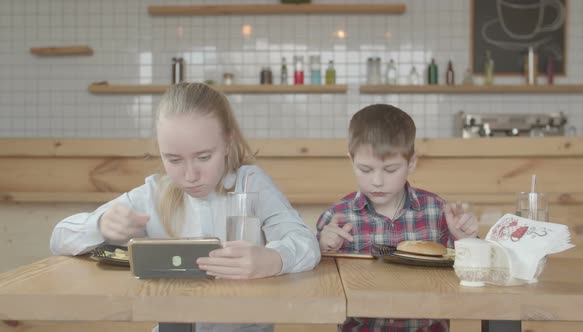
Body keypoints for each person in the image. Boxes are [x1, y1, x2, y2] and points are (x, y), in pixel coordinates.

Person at [51, 82, 321, 332]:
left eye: (204, 157)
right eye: (174, 159)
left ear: (228, 142)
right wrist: (99, 225)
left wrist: (274, 259)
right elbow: (59, 238)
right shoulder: (152, 195)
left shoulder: (251, 183)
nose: (190, 175)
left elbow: (303, 241)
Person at [316, 104, 479, 332]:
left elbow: (471, 274)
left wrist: (466, 240)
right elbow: (317, 286)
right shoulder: (337, 218)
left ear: (411, 163)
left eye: (390, 170)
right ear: (351, 161)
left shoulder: (436, 211)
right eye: (365, 169)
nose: (377, 181)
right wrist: (322, 249)